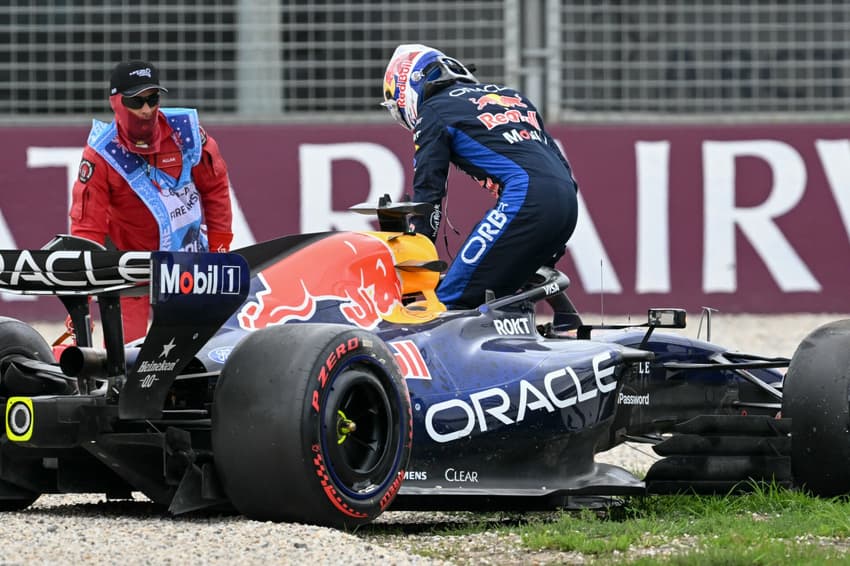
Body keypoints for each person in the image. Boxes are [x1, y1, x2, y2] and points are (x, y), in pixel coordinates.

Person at [381, 44, 579, 309]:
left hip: (526, 199)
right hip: (566, 202)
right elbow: (563, 169)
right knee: (505, 300)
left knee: (450, 302)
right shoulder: (513, 96)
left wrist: (417, 254)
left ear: (408, 86)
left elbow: (429, 193)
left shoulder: (434, 110)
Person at [69, 60, 234, 342]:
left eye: (153, 98)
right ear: (117, 103)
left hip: (185, 260)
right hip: (128, 264)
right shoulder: (100, 154)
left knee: (191, 348)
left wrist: (219, 251)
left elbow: (215, 186)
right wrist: (79, 302)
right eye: (136, 101)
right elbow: (87, 227)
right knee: (126, 353)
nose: (146, 110)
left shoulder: (187, 132)